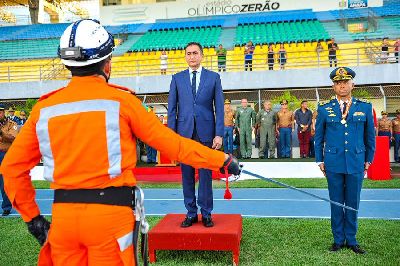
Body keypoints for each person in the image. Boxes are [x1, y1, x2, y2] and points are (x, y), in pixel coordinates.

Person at [1, 20, 240, 266]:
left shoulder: (44, 108)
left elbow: (11, 168)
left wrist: (34, 220)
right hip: (111, 220)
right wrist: (223, 160)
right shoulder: (123, 103)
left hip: (64, 220)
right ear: (108, 63)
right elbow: (175, 146)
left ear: (66, 63)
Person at [315, 67, 375, 254]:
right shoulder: (324, 109)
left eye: (345, 82)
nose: (342, 86)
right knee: (336, 202)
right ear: (333, 86)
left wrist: (369, 159)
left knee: (352, 202)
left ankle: (352, 239)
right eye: (338, 83)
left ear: (352, 84)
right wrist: (319, 160)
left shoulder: (364, 107)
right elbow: (318, 137)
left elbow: (369, 136)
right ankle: (338, 240)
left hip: (357, 161)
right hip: (332, 162)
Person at [168, 42, 225, 228]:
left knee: (206, 175)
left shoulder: (214, 78)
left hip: (206, 134)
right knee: (186, 175)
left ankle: (206, 213)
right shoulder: (177, 79)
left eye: (195, 53)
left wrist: (219, 134)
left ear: (201, 56)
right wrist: (171, 136)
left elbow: (219, 109)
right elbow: (172, 110)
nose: (192, 57)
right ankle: (191, 213)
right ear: (185, 57)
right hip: (184, 134)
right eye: (188, 54)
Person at [0, 104, 17, 216]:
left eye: (0, 112)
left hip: (5, 154)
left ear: (4, 112)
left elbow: (13, 138)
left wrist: (1, 133)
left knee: (4, 182)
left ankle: (6, 207)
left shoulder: (12, 124)